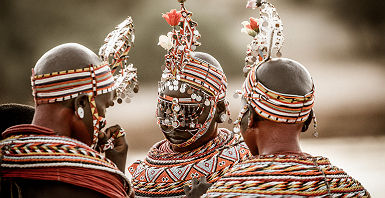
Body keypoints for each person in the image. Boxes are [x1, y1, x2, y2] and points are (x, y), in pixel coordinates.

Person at [201, 1, 370, 197]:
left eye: (244, 110)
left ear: (252, 118)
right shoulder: (347, 188)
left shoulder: (226, 191)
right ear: (308, 119)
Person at [0, 17, 138, 198]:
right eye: (103, 109)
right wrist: (113, 173)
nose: (103, 122)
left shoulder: (8, 151)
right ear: (81, 104)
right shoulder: (85, 184)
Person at [128, 1, 250, 197]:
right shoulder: (143, 174)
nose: (175, 124)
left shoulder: (243, 163)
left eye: (188, 112)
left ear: (219, 111)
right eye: (166, 111)